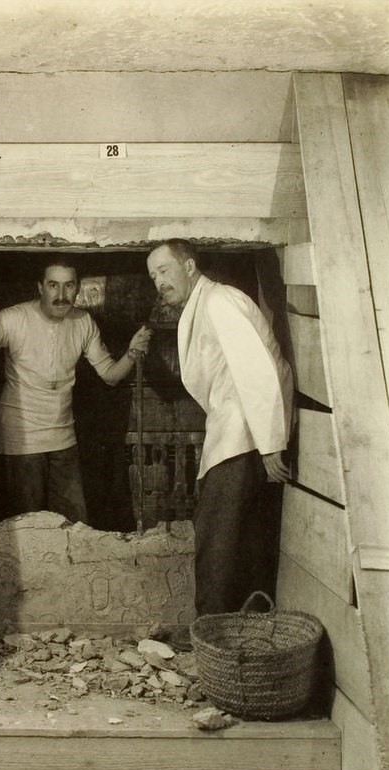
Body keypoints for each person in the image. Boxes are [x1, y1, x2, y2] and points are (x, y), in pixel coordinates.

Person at [0, 254, 152, 523]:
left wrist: (131, 353)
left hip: (64, 438)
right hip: (22, 438)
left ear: (78, 287)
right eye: (53, 285)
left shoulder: (83, 322)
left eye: (69, 285)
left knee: (75, 525)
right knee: (29, 526)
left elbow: (110, 376)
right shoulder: (13, 319)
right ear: (40, 287)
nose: (61, 295)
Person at [146, 239, 294, 626]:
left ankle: (211, 634)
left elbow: (259, 369)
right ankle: (229, 634)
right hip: (235, 437)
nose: (158, 281)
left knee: (217, 543)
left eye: (164, 270)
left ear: (190, 265)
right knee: (230, 541)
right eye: (152, 276)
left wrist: (271, 442)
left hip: (244, 439)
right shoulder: (203, 306)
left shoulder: (219, 302)